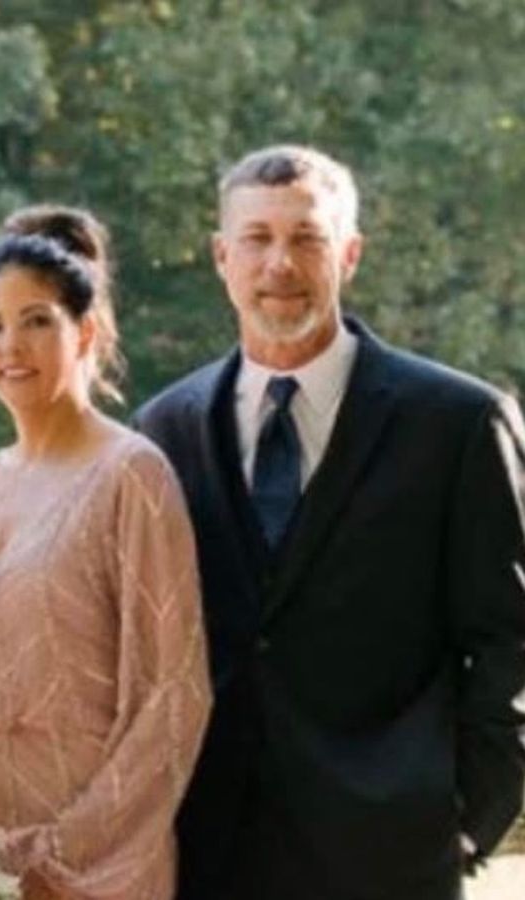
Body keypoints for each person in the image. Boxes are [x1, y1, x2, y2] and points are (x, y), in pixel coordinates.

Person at [133, 144, 525, 900]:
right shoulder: (165, 428)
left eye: (307, 238)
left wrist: (471, 820)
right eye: (257, 238)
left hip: (393, 851)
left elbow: (508, 639)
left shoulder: (458, 424)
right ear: (221, 257)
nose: (279, 263)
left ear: (350, 254)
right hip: (209, 849)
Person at [0, 207, 211, 899]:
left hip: (101, 861)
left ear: (87, 331)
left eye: (36, 321)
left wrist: (59, 852)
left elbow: (174, 695)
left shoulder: (132, 474)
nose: (10, 346)